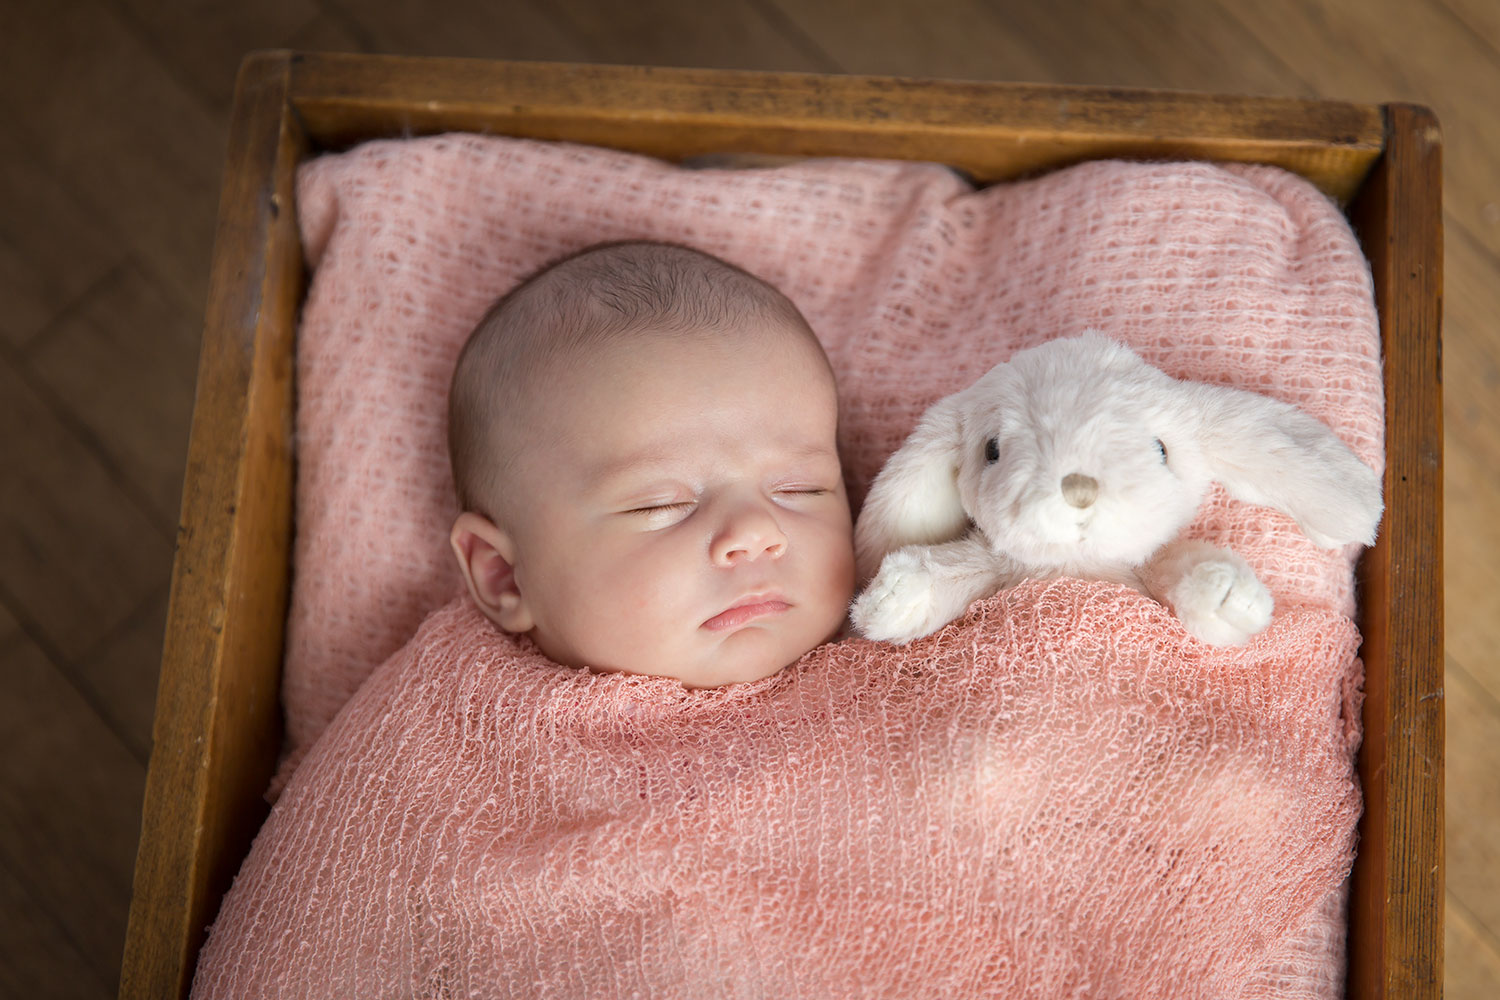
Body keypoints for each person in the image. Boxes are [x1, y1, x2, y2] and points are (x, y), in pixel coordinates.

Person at [445, 239, 857, 688]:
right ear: (504, 575)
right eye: (658, 505)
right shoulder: (450, 716)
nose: (757, 533)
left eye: (801, 489)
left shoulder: (898, 675)